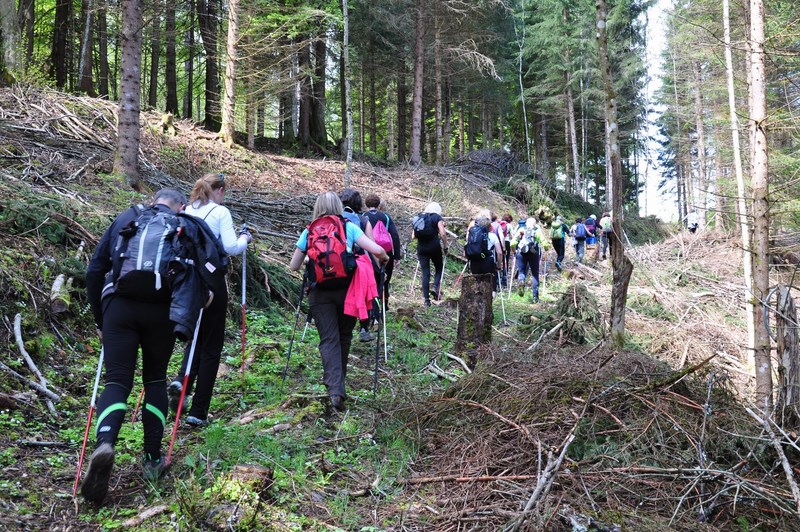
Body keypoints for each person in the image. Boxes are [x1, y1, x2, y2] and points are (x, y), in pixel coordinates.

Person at [82, 188, 190, 503]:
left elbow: (94, 270)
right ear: (179, 205)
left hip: (119, 307)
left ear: (154, 199)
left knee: (117, 380)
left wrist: (101, 319)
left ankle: (105, 443)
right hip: (161, 311)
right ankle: (153, 458)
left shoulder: (127, 218)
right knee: (155, 378)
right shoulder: (182, 226)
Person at [289, 192, 389, 411]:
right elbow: (378, 250)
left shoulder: (309, 230)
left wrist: (309, 258)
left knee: (328, 339)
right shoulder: (348, 227)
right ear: (338, 207)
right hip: (348, 290)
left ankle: (335, 389)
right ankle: (338, 387)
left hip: (319, 292)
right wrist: (384, 259)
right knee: (344, 337)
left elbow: (293, 266)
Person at [168, 173, 251, 428]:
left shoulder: (185, 211)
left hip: (184, 283)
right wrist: (245, 239)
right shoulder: (219, 212)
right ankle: (199, 411)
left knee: (193, 338)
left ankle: (182, 382)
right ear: (221, 189)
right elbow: (230, 247)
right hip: (211, 280)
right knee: (211, 346)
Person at [364, 193, 402, 310]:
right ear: (378, 204)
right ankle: (384, 304)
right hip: (386, 251)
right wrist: (396, 256)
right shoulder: (385, 217)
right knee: (386, 277)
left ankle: (371, 306)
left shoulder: (363, 216)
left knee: (371, 278)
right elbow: (394, 235)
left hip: (369, 251)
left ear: (366, 204)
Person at [412, 202, 449, 307]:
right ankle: (435, 286)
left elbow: (413, 236)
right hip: (434, 247)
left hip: (422, 248)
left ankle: (426, 301)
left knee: (425, 273)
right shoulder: (436, 217)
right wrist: (445, 246)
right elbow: (442, 233)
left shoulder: (419, 218)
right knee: (439, 268)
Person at [513, 217, 549, 303]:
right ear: (534, 224)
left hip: (521, 252)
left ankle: (521, 281)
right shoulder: (537, 231)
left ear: (526, 224)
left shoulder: (521, 229)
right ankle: (535, 297)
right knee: (535, 274)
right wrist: (547, 249)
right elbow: (545, 243)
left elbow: (512, 242)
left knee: (521, 272)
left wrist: (514, 251)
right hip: (534, 253)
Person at [466, 211, 504, 286]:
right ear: (489, 226)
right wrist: (499, 266)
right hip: (488, 262)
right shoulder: (493, 236)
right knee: (490, 285)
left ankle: (478, 297)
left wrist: (468, 259)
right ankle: (490, 296)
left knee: (477, 283)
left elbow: (467, 249)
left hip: (474, 261)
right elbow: (499, 253)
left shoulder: (472, 236)